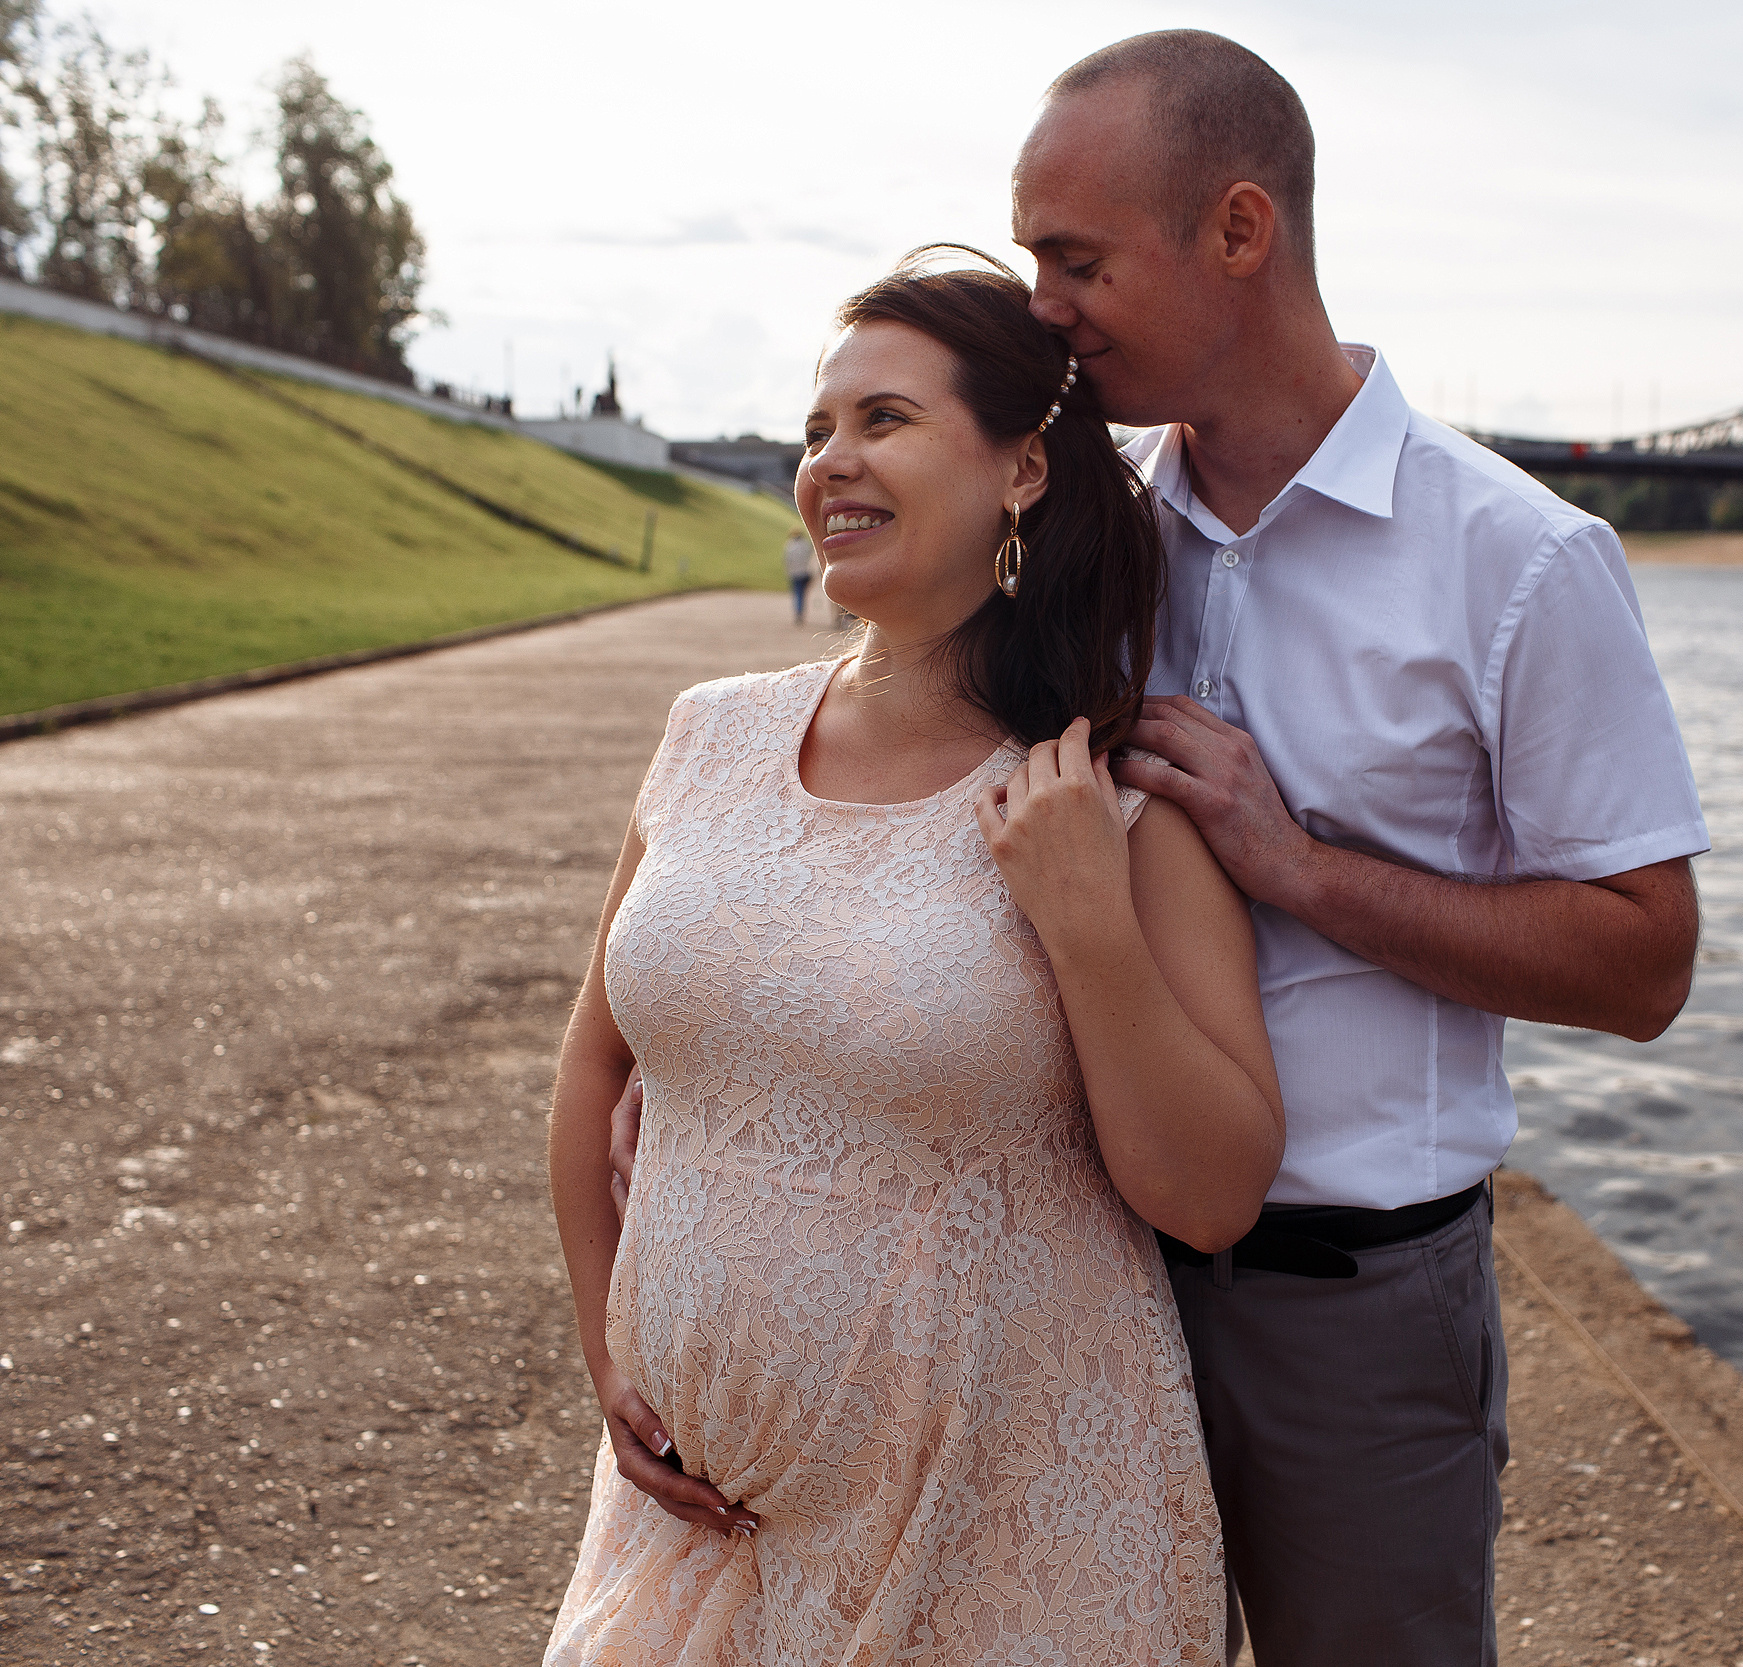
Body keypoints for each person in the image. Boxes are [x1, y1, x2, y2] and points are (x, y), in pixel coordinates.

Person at [1006, 31, 1711, 1665]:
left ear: (1239, 233)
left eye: (1077, 257)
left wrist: (1305, 867)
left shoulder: (1519, 559)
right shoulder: (1081, 529)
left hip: (1362, 1325)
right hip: (1092, 1285)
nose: (1043, 300)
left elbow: (1648, 959)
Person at [543, 250, 1284, 1664]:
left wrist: (1086, 925)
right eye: (817, 429)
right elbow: (592, 1062)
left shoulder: (1108, 798)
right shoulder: (710, 732)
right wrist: (608, 1352)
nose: (830, 461)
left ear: (1022, 471)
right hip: (693, 1521)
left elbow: (1216, 1189)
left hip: (1000, 1541)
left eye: (883, 419)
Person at [782, 525, 816, 624]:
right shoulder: (806, 545)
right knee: (803, 594)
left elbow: (787, 561)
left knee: (797, 594)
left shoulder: (789, 546)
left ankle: (798, 612)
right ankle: (801, 612)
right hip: (805, 573)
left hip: (794, 574)